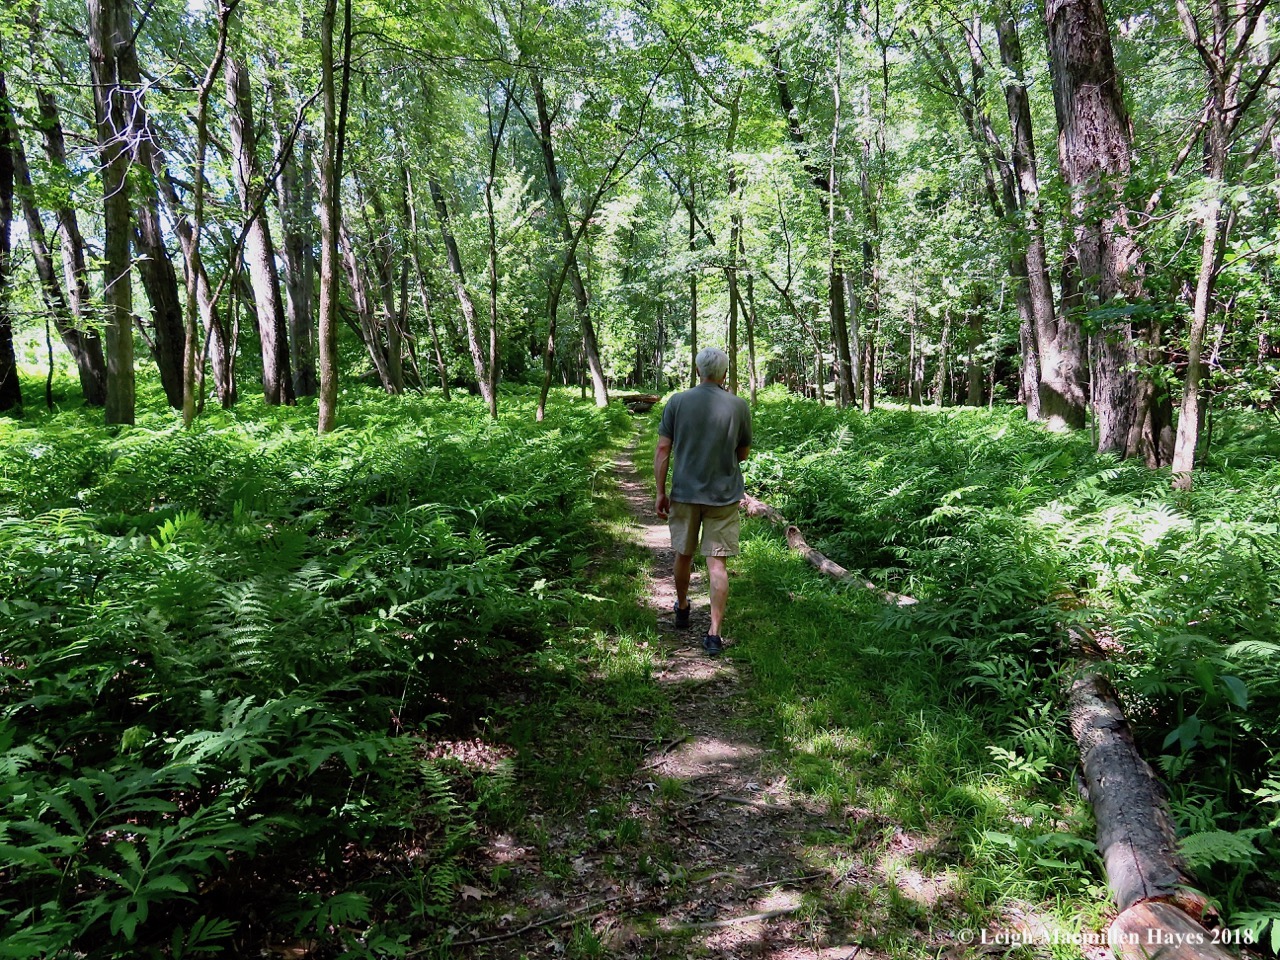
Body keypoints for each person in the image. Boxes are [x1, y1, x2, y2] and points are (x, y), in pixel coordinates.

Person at [654, 347, 752, 656]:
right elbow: (743, 454)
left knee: (683, 554)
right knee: (717, 564)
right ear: (724, 373)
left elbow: (663, 449)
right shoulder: (739, 406)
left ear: (698, 371)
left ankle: (683, 608)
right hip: (723, 496)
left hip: (684, 493)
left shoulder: (677, 402)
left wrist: (660, 492)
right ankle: (714, 634)